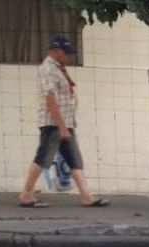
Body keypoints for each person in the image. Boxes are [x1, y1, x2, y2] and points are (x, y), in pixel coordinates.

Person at [18, 36, 109, 209]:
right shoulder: (48, 69)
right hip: (54, 124)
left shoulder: (58, 68)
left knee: (74, 159)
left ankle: (86, 196)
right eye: (67, 53)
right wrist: (61, 126)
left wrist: (66, 125)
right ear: (57, 51)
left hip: (65, 123)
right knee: (43, 158)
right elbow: (50, 98)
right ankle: (26, 194)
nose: (69, 57)